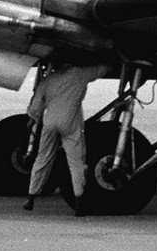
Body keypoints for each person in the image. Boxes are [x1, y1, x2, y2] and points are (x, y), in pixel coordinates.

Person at [23, 61, 110, 213]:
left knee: (43, 158)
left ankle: (31, 198)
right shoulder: (80, 74)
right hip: (69, 122)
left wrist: (31, 119)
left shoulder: (49, 78)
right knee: (76, 162)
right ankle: (78, 203)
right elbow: (101, 69)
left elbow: (37, 103)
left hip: (50, 121)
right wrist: (110, 63)